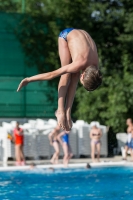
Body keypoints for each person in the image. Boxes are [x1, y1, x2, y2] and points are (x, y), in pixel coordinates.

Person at [17, 28, 102, 131]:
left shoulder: (95, 68)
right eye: (82, 82)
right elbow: (52, 74)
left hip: (81, 35)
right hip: (66, 35)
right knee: (66, 75)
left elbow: (80, 75)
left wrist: (68, 111)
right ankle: (60, 110)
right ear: (83, 76)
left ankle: (67, 111)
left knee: (75, 75)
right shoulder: (79, 63)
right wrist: (29, 79)